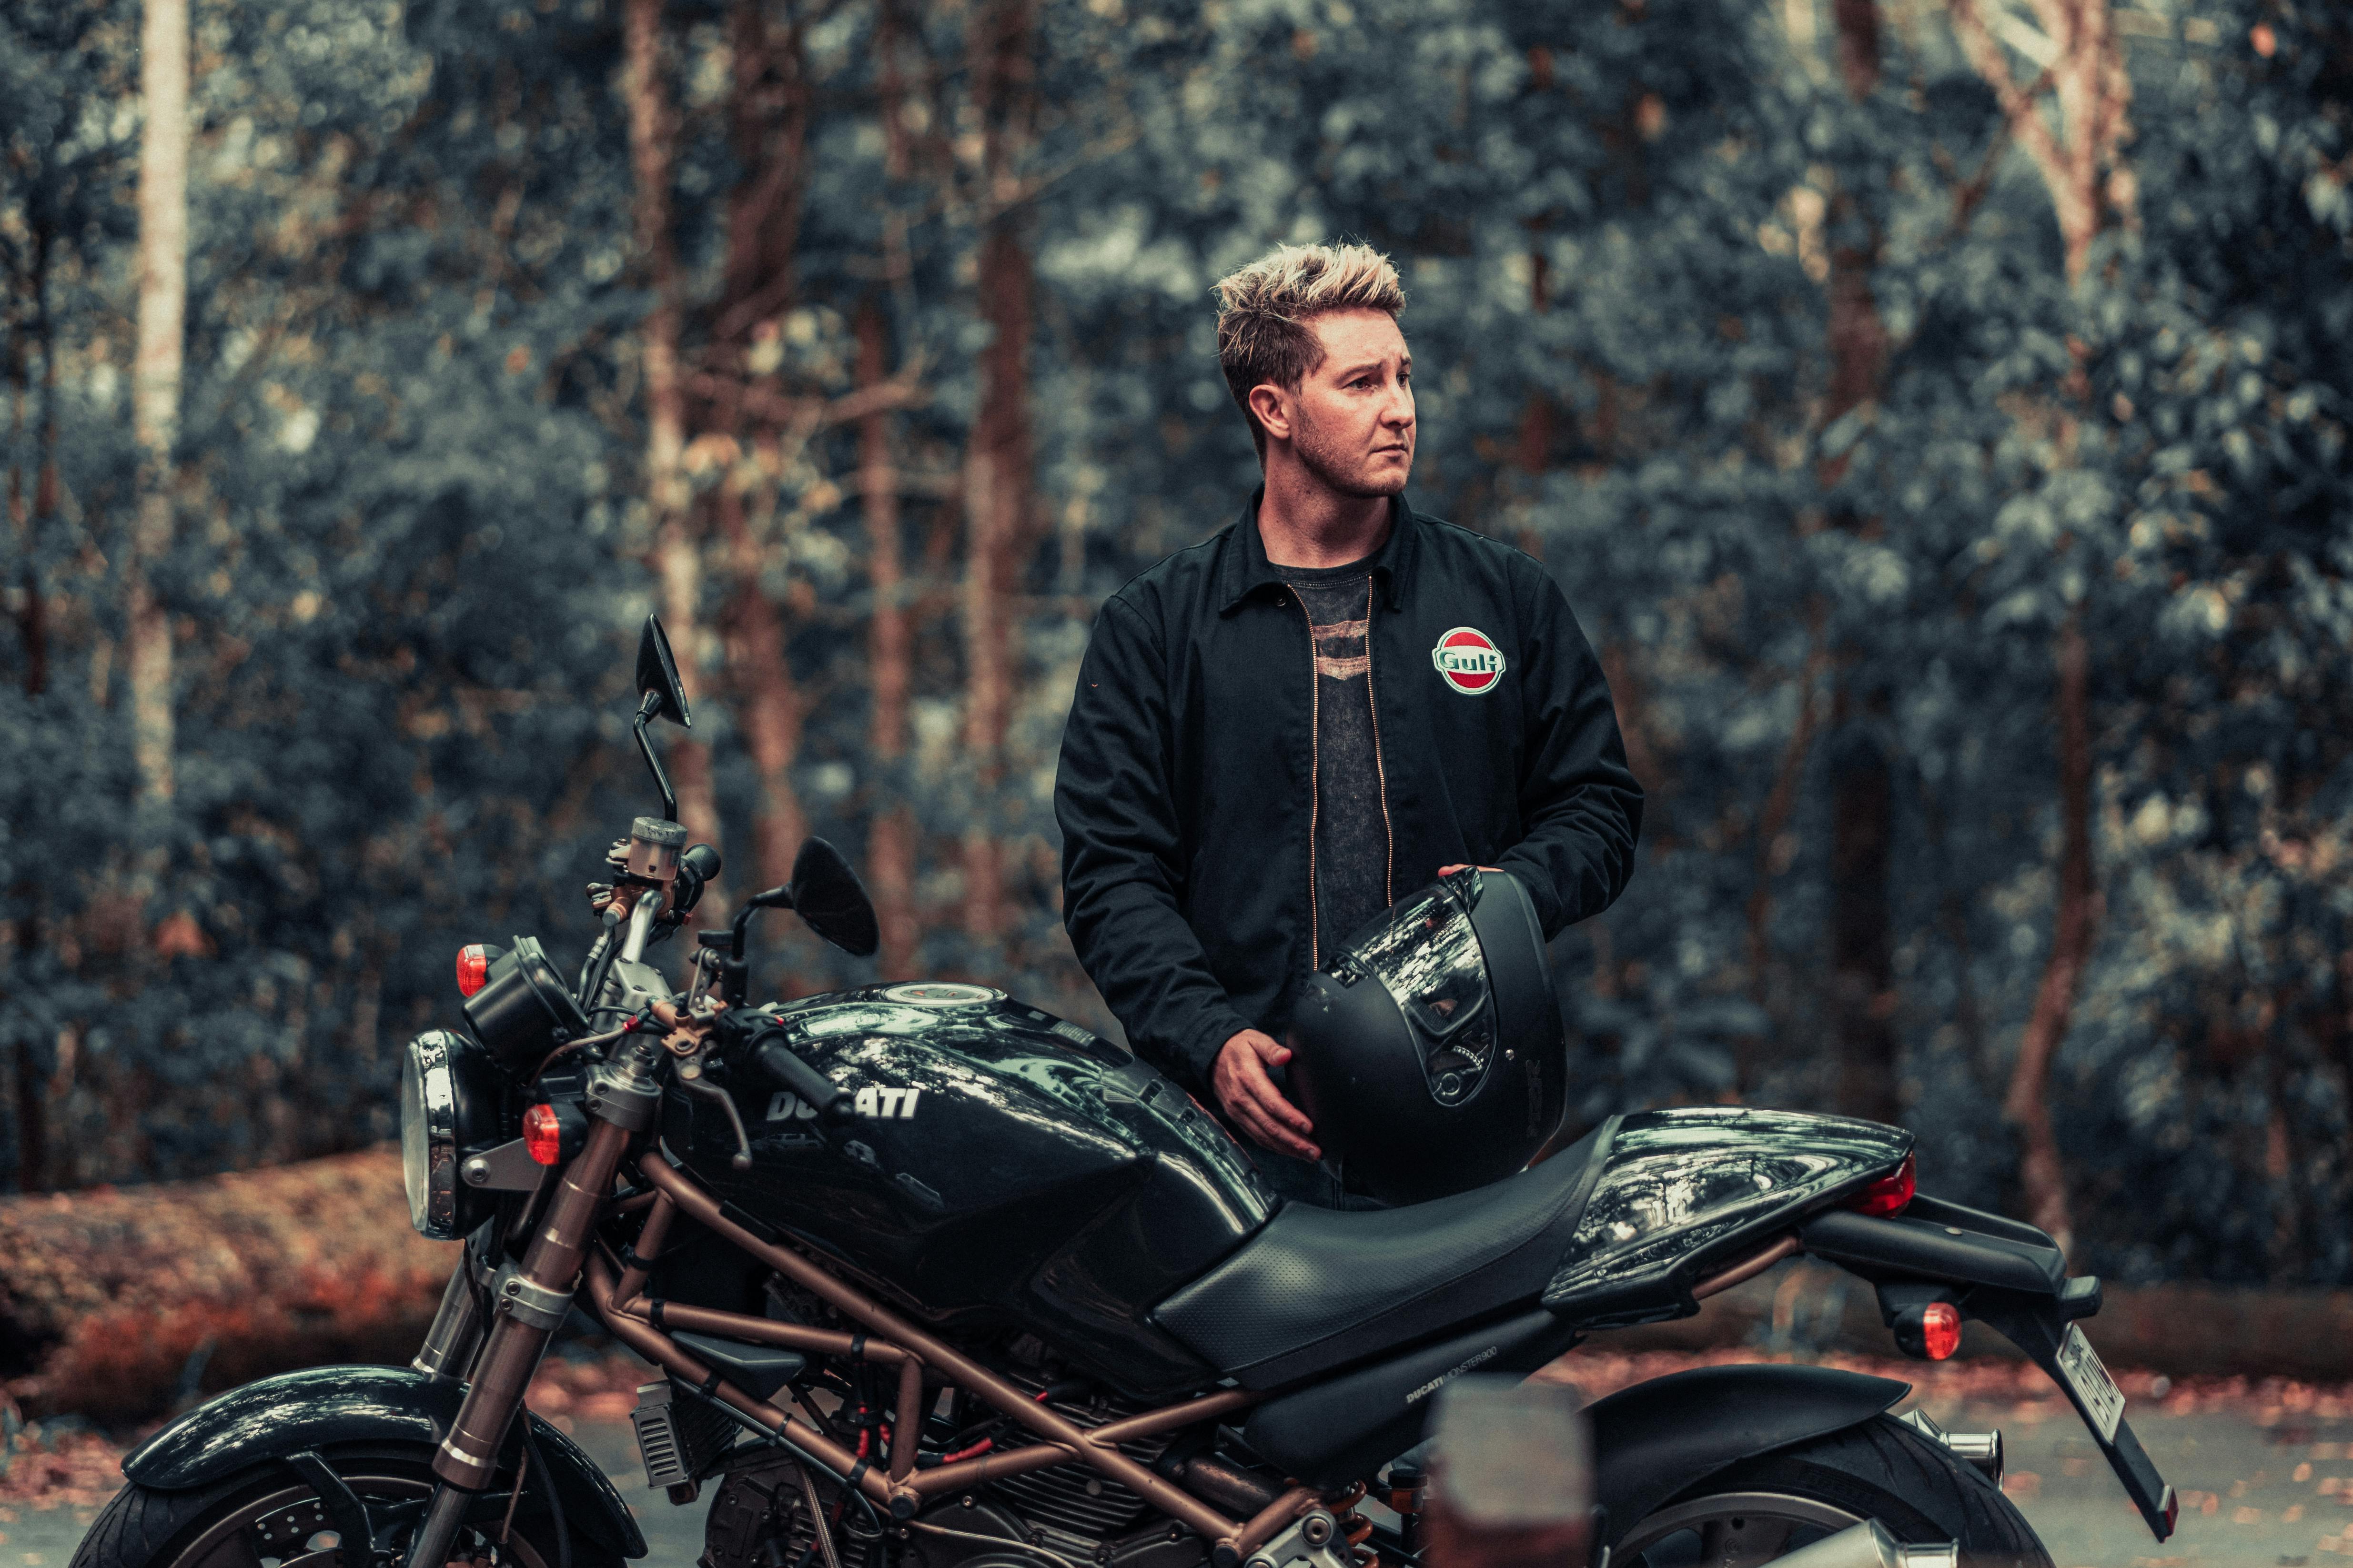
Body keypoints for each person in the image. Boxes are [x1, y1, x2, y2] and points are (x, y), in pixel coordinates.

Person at [1054, 241, 1642, 1202]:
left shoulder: (1503, 597)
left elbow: (1597, 804)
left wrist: (1510, 896)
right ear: (1273, 408)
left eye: (1404, 377)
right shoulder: (1154, 629)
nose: (1401, 408)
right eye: (1363, 381)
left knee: (1463, 1358)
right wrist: (1207, 1039)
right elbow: (1112, 871)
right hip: (1244, 1133)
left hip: (1465, 1103)